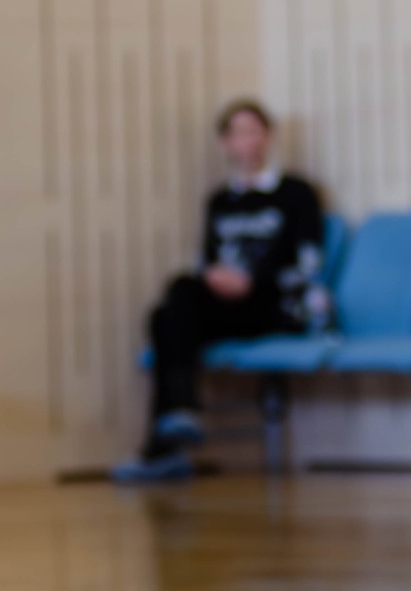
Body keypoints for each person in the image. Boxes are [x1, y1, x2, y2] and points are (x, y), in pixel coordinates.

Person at [112, 100, 326, 483]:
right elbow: (209, 258)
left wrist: (252, 281)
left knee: (169, 314)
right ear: (225, 143)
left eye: (255, 131)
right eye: (239, 133)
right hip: (228, 304)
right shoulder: (219, 200)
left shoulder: (296, 192)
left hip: (274, 303)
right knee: (169, 309)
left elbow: (308, 258)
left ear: (268, 137)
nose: (248, 141)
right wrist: (216, 277)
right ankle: (178, 417)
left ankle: (165, 442)